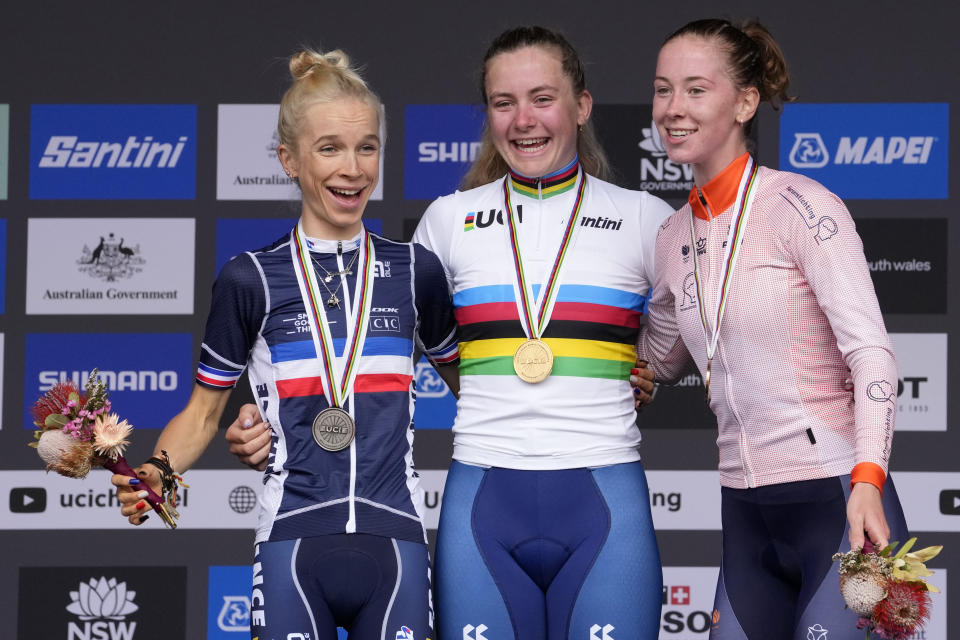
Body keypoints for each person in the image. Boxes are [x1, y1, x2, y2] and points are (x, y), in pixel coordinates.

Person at [228, 25, 670, 640]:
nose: (524, 120)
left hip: (603, 492)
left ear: (581, 106)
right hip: (483, 500)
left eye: (542, 98)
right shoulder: (447, 222)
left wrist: (648, 366)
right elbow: (363, 353)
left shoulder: (645, 219)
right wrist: (266, 424)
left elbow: (694, 334)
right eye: (503, 102)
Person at [111, 48, 458, 640]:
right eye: (329, 148)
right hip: (291, 541)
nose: (353, 168)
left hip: (397, 538)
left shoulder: (415, 271)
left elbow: (479, 386)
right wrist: (156, 474)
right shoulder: (251, 277)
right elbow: (203, 414)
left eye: (366, 146)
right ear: (288, 159)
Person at [637, 18, 909, 640]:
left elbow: (871, 354)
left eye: (696, 90)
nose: (673, 110)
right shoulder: (673, 236)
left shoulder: (801, 207)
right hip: (745, 513)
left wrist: (868, 481)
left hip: (839, 499)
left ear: (746, 102)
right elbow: (661, 360)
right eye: (662, 90)